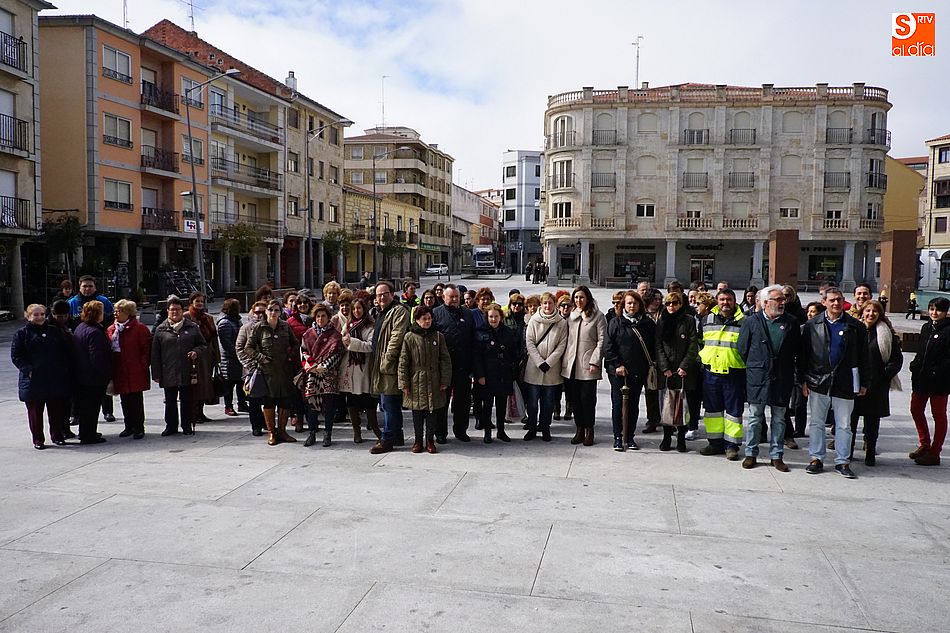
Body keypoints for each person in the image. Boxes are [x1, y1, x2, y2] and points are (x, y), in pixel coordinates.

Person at [799, 287, 870, 478]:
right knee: (816, 423)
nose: (836, 303)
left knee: (844, 425)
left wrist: (864, 382)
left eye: (838, 300)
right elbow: (804, 356)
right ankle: (816, 458)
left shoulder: (856, 327)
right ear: (824, 302)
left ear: (843, 301)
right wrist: (803, 380)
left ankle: (843, 461)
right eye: (831, 300)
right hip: (818, 381)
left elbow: (864, 356)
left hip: (845, 381)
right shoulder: (812, 325)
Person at [736, 286, 800, 471]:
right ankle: (751, 453)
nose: (782, 303)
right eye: (778, 300)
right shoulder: (751, 321)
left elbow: (798, 350)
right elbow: (742, 349)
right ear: (765, 303)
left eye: (783, 299)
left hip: (782, 376)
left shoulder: (791, 322)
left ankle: (776, 455)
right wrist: (757, 364)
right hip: (758, 376)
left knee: (779, 418)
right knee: (756, 417)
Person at [12, 304, 73, 449]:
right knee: (35, 412)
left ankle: (57, 436)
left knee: (56, 411)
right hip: (33, 380)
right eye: (35, 314)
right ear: (28, 316)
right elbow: (16, 356)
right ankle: (38, 439)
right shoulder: (22, 334)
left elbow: (65, 351)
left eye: (41, 314)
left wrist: (63, 369)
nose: (39, 317)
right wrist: (28, 370)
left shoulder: (54, 331)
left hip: (54, 377)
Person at [238, 299, 299, 446]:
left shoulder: (285, 327)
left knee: (285, 402)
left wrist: (290, 357)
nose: (273, 313)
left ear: (280, 312)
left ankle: (282, 431)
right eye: (270, 310)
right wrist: (261, 358)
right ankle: (272, 432)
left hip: (283, 371)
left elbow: (295, 344)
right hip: (267, 372)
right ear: (266, 312)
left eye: (276, 310)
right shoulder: (259, 328)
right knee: (269, 402)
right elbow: (248, 347)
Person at [850, 300, 902, 466]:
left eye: (874, 311)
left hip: (876, 385)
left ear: (880, 314)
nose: (870, 314)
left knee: (872, 422)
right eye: (867, 311)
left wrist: (883, 376)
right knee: (850, 420)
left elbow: (896, 359)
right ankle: (847, 451)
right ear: (862, 312)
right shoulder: (854, 330)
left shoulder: (885, 333)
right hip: (854, 383)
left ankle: (870, 451)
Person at [697, 288, 746, 460]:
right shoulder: (706, 319)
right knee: (712, 412)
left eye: (729, 300)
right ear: (717, 301)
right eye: (722, 299)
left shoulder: (744, 321)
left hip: (734, 374)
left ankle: (731, 446)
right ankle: (715, 443)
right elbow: (699, 343)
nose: (725, 303)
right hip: (711, 374)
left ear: (735, 301)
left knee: (733, 413)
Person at [603, 291, 655, 451]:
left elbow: (654, 346)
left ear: (640, 305)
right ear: (623, 305)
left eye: (635, 303)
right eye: (629, 303)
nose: (632, 306)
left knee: (633, 405)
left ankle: (629, 436)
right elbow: (608, 346)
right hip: (617, 371)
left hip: (638, 371)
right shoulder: (615, 323)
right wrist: (618, 364)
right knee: (618, 404)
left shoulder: (647, 324)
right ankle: (618, 437)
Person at [399, 305, 452, 453]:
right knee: (417, 412)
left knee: (431, 412)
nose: (427, 321)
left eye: (429, 318)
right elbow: (403, 361)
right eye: (424, 319)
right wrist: (404, 383)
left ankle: (430, 440)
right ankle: (417, 441)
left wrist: (445, 380)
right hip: (416, 379)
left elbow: (445, 359)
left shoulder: (438, 336)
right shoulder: (409, 337)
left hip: (434, 378)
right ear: (417, 320)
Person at [151, 296, 206, 436]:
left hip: (187, 370)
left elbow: (202, 345)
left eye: (177, 309)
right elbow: (155, 353)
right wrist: (156, 373)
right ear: (168, 312)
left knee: (186, 400)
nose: (174, 312)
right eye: (171, 310)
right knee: (170, 401)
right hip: (168, 371)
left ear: (183, 311)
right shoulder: (161, 329)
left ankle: (186, 425)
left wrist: (196, 352)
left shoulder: (192, 327)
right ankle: (171, 426)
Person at [369, 281, 410, 454]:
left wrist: (387, 360)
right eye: (379, 295)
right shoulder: (381, 313)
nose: (382, 297)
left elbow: (396, 337)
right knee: (389, 402)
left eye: (385, 293)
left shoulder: (399, 311)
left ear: (392, 294)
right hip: (380, 364)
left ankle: (387, 439)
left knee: (388, 403)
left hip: (390, 366)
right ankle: (397, 436)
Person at [561, 286, 606, 446]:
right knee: (574, 399)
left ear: (588, 298)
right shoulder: (570, 317)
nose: (579, 301)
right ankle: (579, 428)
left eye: (582, 297)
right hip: (570, 364)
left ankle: (589, 429)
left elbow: (602, 340)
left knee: (587, 399)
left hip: (588, 365)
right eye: (576, 297)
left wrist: (595, 360)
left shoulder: (598, 316)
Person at [655, 290, 699, 453]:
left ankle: (681, 438)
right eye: (668, 303)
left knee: (682, 405)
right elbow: (657, 345)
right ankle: (667, 437)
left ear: (681, 304)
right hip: (666, 371)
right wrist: (664, 367)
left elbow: (693, 345)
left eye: (675, 303)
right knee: (667, 404)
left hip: (683, 371)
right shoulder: (662, 320)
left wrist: (685, 366)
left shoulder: (688, 321)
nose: (671, 307)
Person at [908, 297, 950, 466]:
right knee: (915, 409)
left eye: (938, 310)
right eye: (931, 309)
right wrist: (915, 366)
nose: (934, 313)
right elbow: (921, 351)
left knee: (938, 415)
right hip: (921, 377)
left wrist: (937, 371)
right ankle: (924, 444)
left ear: (946, 312)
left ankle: (935, 451)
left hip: (940, 381)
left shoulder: (948, 330)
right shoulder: (926, 327)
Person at [68, 275, 116, 423]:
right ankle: (74, 414)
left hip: (99, 340)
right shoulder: (72, 303)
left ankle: (108, 411)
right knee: (78, 384)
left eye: (90, 286)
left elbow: (111, 320)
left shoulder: (104, 301)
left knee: (102, 380)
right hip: (79, 344)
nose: (87, 289)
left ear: (95, 287)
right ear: (79, 287)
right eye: (84, 286)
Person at [433, 284, 476, 443]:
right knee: (442, 402)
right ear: (443, 297)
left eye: (456, 297)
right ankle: (440, 433)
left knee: (463, 402)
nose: (454, 300)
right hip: (443, 367)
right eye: (451, 297)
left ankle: (461, 430)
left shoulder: (467, 313)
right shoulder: (436, 314)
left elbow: (473, 338)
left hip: (463, 366)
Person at [523, 291, 568, 442]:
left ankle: (545, 427)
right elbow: (529, 342)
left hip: (552, 369)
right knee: (532, 402)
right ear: (540, 305)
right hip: (534, 368)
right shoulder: (534, 320)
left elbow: (562, 345)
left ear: (555, 304)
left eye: (550, 303)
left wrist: (548, 362)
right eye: (544, 303)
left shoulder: (561, 322)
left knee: (548, 402)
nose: (547, 306)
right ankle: (532, 427)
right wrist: (539, 362)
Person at [301, 303, 345, 447]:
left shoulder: (335, 335)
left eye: (323, 316)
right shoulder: (308, 334)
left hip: (328, 373)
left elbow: (338, 353)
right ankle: (312, 432)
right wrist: (310, 364)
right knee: (311, 403)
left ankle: (328, 433)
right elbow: (303, 351)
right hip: (312, 373)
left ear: (328, 317)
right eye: (318, 316)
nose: (320, 319)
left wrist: (324, 366)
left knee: (329, 405)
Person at [339, 291, 380, 443]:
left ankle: (376, 429)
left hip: (365, 368)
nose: (356, 311)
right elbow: (342, 344)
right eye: (354, 309)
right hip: (350, 368)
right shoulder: (347, 326)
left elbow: (370, 346)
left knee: (369, 401)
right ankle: (356, 431)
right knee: (352, 402)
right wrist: (344, 344)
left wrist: (352, 343)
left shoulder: (371, 326)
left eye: (359, 308)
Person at [106, 300, 152, 439]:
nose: (116, 313)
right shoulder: (112, 329)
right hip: (119, 368)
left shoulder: (139, 328)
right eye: (115, 310)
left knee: (136, 400)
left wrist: (143, 364)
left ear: (128, 313)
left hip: (135, 368)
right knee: (124, 399)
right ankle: (128, 426)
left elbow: (146, 349)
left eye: (119, 311)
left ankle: (139, 427)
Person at [473, 303, 518, 443]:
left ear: (501, 317)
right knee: (486, 406)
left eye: (496, 316)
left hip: (503, 374)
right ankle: (487, 432)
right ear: (486, 317)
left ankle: (501, 431)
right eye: (491, 316)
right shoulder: (480, 333)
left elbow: (513, 353)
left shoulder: (508, 332)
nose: (493, 319)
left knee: (501, 405)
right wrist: (480, 375)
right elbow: (476, 357)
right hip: (487, 375)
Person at [73, 300, 112, 444]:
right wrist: (105, 375)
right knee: (92, 407)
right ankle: (88, 434)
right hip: (93, 377)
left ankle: (86, 431)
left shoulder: (80, 328)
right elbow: (98, 357)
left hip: (82, 375)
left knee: (85, 407)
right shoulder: (95, 332)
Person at [235, 302, 268, 436]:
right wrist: (251, 365)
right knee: (254, 400)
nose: (260, 315)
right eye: (257, 312)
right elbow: (239, 348)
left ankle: (267, 422)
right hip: (252, 370)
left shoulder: (271, 326)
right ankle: (256, 426)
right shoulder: (246, 328)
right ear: (252, 313)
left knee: (268, 399)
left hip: (268, 369)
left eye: (262, 312)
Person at [187, 292, 221, 424]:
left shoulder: (208, 318)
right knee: (194, 386)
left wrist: (217, 356)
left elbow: (214, 337)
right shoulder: (187, 317)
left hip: (208, 356)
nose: (200, 304)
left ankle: (201, 412)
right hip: (194, 357)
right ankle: (193, 413)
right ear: (192, 303)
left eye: (201, 301)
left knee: (205, 386)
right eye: (197, 301)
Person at [217, 299, 247, 417]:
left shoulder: (236, 320)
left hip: (239, 358)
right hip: (229, 359)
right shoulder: (225, 323)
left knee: (240, 382)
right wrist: (238, 353)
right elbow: (226, 343)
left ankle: (242, 403)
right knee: (229, 384)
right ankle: (228, 406)